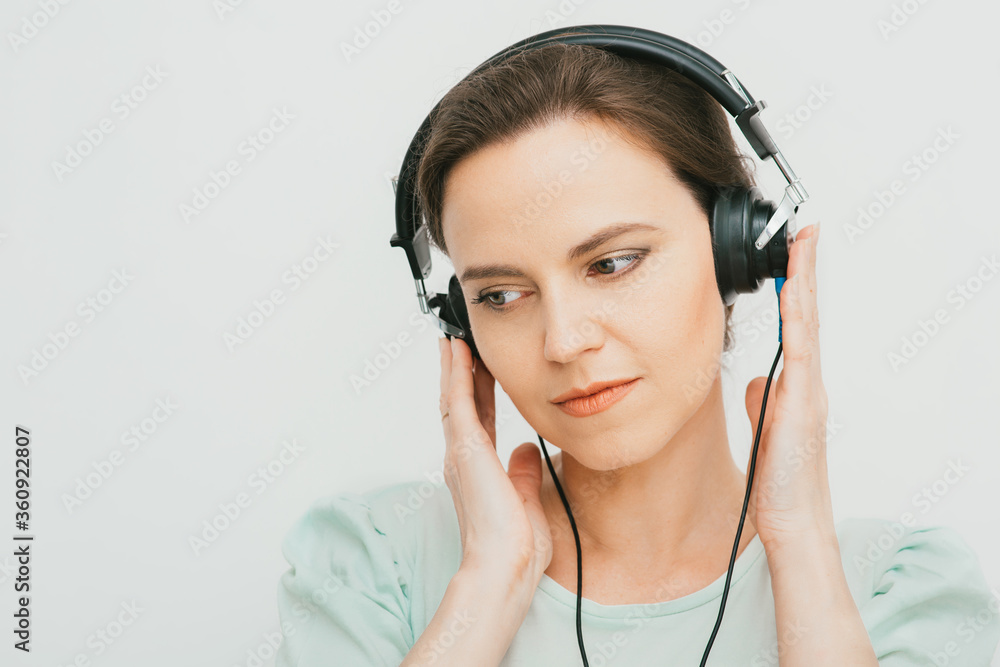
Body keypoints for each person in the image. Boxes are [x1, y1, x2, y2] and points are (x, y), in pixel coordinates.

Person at [274, 41, 999, 666]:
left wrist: (800, 544)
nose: (563, 342)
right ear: (460, 323)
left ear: (740, 252)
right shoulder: (379, 564)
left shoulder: (895, 589)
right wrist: (491, 581)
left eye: (612, 263)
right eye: (499, 295)